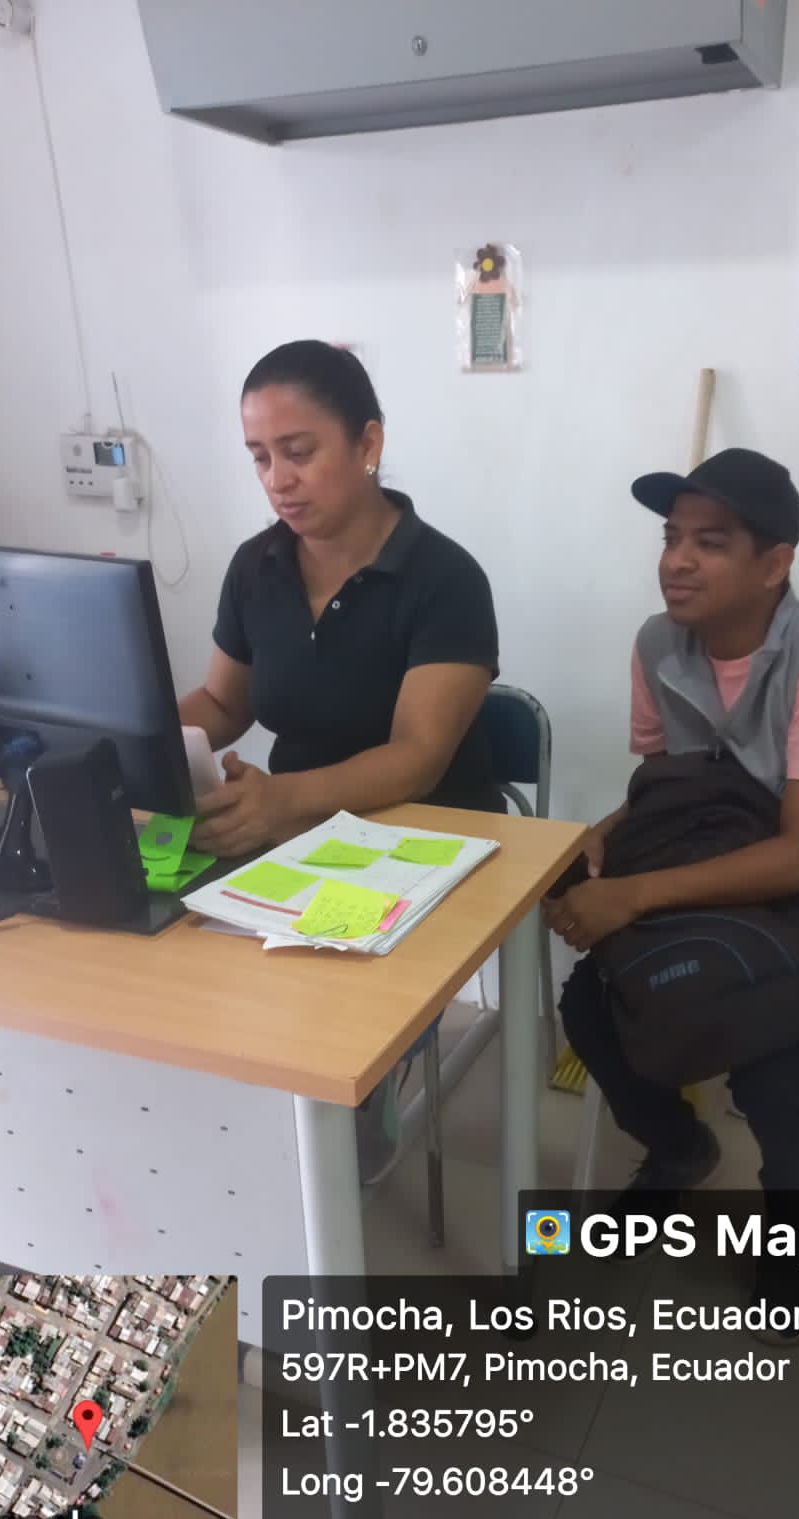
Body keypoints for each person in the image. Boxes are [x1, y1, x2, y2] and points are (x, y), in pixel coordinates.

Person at [546, 448, 799, 1343]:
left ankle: (797, 1240)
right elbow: (672, 791)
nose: (678, 561)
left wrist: (634, 896)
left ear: (775, 564)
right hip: (746, 900)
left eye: (711, 543)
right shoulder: (660, 646)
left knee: (774, 1063)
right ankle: (681, 1147)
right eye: (671, 537)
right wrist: (606, 832)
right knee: (592, 1006)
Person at [179, 339, 502, 1180]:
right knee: (185, 968)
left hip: (421, 836)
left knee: (324, 1014)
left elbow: (418, 757)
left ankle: (335, 1150)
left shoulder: (444, 578)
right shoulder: (256, 567)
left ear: (368, 443)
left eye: (299, 451)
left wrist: (283, 800)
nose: (278, 479)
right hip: (294, 833)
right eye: (260, 457)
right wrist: (132, 728)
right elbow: (223, 705)